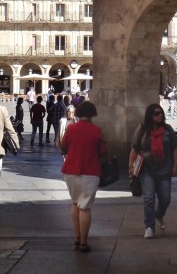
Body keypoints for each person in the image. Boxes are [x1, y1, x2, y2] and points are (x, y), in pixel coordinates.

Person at [60, 101, 108, 252]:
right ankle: (84, 243)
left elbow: (63, 147)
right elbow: (103, 152)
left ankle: (77, 237)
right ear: (93, 114)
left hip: (70, 170)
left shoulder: (71, 128)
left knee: (75, 203)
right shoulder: (98, 131)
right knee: (85, 207)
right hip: (90, 171)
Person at [129, 104, 177, 239]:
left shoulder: (168, 130)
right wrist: (131, 166)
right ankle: (149, 226)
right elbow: (135, 148)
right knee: (149, 197)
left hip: (164, 169)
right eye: (157, 113)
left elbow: (174, 148)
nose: (160, 115)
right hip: (147, 169)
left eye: (161, 113)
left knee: (165, 198)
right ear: (150, 115)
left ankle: (159, 214)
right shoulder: (142, 129)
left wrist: (175, 165)